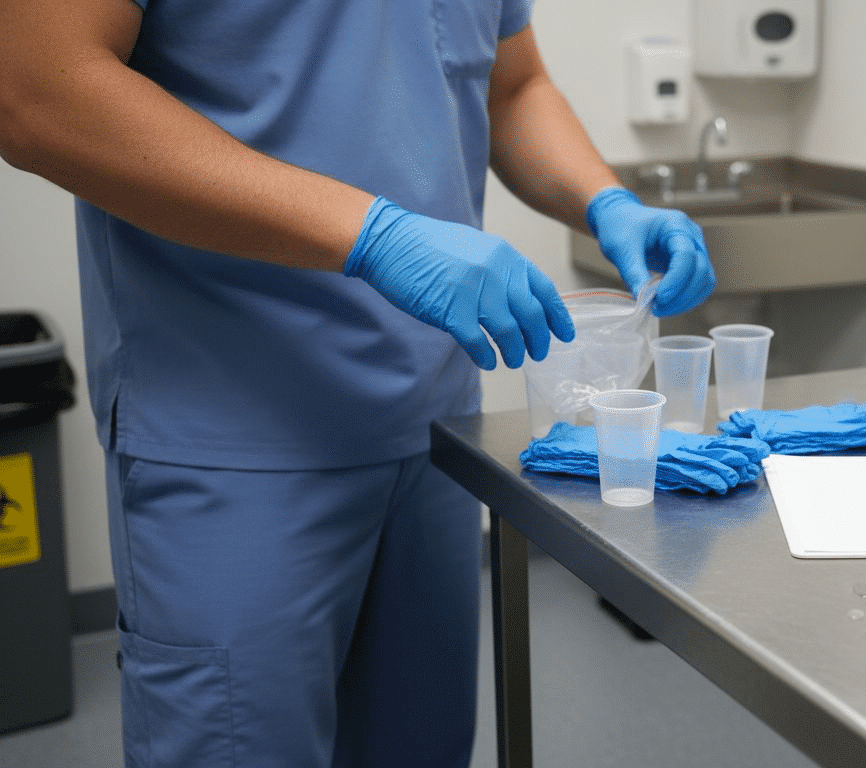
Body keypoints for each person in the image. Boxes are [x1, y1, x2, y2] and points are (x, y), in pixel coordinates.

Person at [0, 0, 715, 766]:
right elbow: (39, 91)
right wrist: (371, 235)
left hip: (435, 430)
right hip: (236, 433)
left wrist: (604, 200)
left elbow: (512, 87)